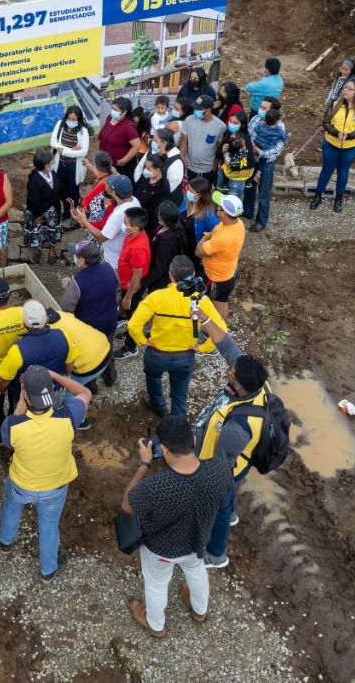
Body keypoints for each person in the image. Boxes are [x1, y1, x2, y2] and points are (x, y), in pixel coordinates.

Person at [121, 414, 233, 637]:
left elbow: (127, 505)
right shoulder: (220, 470)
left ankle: (156, 625)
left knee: (156, 584)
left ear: (163, 449)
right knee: (196, 571)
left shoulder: (155, 485)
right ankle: (199, 611)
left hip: (161, 549)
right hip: (198, 540)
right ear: (193, 438)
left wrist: (144, 465)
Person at [189, 307, 276, 567]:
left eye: (231, 375)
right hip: (239, 462)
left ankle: (216, 554)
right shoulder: (258, 385)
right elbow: (227, 346)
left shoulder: (237, 429)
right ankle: (230, 514)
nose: (228, 372)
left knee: (219, 502)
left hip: (223, 469)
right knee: (227, 499)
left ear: (239, 386)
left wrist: (193, 460)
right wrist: (205, 319)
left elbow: (218, 468)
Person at [0, 365, 92, 581]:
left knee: (11, 507)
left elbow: (9, 438)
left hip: (21, 483)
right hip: (55, 486)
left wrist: (20, 406)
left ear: (24, 395)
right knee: (49, 527)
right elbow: (85, 393)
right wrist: (56, 375)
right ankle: (48, 570)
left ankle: (5, 539)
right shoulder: (69, 417)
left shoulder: (11, 426)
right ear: (51, 390)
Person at [127, 255, 228, 417]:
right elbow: (221, 329)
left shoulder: (156, 297)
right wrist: (203, 347)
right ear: (194, 274)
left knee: (153, 379)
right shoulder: (200, 300)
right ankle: (177, 425)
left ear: (170, 275)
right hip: (184, 355)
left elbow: (133, 325)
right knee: (180, 395)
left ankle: (158, 407)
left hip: (156, 353)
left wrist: (142, 341)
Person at [0, 301, 77, 402]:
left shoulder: (18, 350)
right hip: (54, 389)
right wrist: (67, 377)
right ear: (46, 320)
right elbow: (70, 362)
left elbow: (4, 378)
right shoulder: (63, 336)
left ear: (24, 324)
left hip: (28, 397)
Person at [311, 76, 355, 212]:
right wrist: (337, 133)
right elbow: (325, 122)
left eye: (350, 89)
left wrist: (349, 136)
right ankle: (318, 196)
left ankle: (338, 199)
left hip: (350, 148)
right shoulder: (335, 103)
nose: (345, 90)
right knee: (326, 171)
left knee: (343, 172)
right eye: (345, 87)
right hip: (331, 144)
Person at [70, 174, 139, 272]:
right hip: (120, 252)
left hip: (113, 260)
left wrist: (83, 221)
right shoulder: (134, 200)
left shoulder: (118, 214)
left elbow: (102, 237)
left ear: (113, 193)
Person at [196, 194, 246, 319]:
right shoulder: (238, 223)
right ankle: (223, 324)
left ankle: (217, 332)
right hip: (229, 270)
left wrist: (207, 235)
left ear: (223, 214)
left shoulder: (223, 238)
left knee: (217, 306)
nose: (216, 207)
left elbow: (198, 251)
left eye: (219, 206)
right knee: (223, 301)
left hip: (218, 278)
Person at [59, 239, 120, 339]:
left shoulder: (77, 282)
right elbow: (115, 293)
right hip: (111, 323)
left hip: (90, 330)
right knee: (108, 350)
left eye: (76, 256)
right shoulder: (109, 268)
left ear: (82, 260)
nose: (74, 258)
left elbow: (66, 308)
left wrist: (68, 289)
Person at [44, 307, 111, 396]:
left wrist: (67, 377)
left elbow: (67, 361)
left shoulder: (51, 334)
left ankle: (72, 405)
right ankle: (92, 387)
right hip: (105, 347)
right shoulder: (62, 314)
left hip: (89, 367)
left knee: (68, 390)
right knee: (87, 360)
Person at [247, 100, 287, 231]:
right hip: (252, 159)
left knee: (264, 193)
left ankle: (261, 221)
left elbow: (278, 148)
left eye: (264, 108)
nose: (261, 110)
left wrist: (261, 152)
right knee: (249, 186)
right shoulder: (255, 119)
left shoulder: (279, 126)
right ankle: (248, 210)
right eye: (260, 107)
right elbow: (248, 135)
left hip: (266, 162)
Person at [115, 208, 152, 351]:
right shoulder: (133, 235)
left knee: (133, 316)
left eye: (125, 223)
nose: (123, 225)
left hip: (132, 287)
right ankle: (125, 321)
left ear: (135, 228)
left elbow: (137, 277)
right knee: (126, 308)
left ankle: (131, 346)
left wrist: (128, 297)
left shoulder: (138, 248)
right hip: (125, 283)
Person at [143, 201, 188, 304]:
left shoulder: (165, 241)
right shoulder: (173, 228)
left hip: (161, 282)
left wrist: (143, 282)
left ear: (162, 218)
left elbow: (159, 268)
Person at [24, 149, 62, 263]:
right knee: (37, 231)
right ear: (45, 165)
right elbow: (33, 201)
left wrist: (66, 197)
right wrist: (39, 215)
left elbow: (58, 188)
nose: (53, 163)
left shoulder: (52, 173)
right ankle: (37, 249)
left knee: (52, 230)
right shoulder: (35, 180)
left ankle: (52, 249)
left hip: (53, 210)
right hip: (39, 212)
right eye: (51, 161)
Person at [50, 105, 91, 207]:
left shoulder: (83, 131)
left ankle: (77, 212)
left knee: (73, 191)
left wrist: (63, 151)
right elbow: (53, 142)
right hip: (60, 165)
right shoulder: (60, 124)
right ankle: (67, 212)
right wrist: (71, 150)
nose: (71, 121)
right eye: (69, 119)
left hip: (74, 167)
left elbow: (83, 152)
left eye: (73, 119)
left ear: (79, 119)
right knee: (63, 191)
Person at [179, 95, 225, 182]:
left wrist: (214, 169)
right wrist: (182, 157)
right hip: (190, 167)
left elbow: (218, 150)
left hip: (208, 170)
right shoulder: (188, 120)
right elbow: (184, 141)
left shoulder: (220, 126)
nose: (195, 111)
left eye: (199, 109)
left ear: (208, 110)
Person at [98, 97, 142, 180]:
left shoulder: (128, 126)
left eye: (116, 110)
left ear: (124, 112)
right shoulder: (110, 118)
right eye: (112, 108)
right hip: (107, 164)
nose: (113, 111)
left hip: (120, 168)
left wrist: (125, 160)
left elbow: (137, 145)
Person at [217, 113, 256, 201]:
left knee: (232, 205)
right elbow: (217, 155)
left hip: (236, 179)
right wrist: (222, 151)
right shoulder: (227, 134)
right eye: (230, 121)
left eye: (235, 123)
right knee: (219, 201)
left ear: (242, 125)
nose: (231, 124)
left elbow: (251, 162)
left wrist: (233, 164)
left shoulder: (245, 139)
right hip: (222, 174)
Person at [80, 151, 116, 226]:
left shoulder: (102, 185)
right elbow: (100, 175)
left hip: (98, 222)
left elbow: (94, 211)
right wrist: (89, 165)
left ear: (96, 165)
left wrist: (84, 222)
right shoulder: (110, 177)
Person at [147, 128, 184, 194]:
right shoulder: (154, 150)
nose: (152, 142)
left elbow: (169, 188)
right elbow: (140, 169)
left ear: (164, 143)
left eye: (155, 141)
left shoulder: (176, 163)